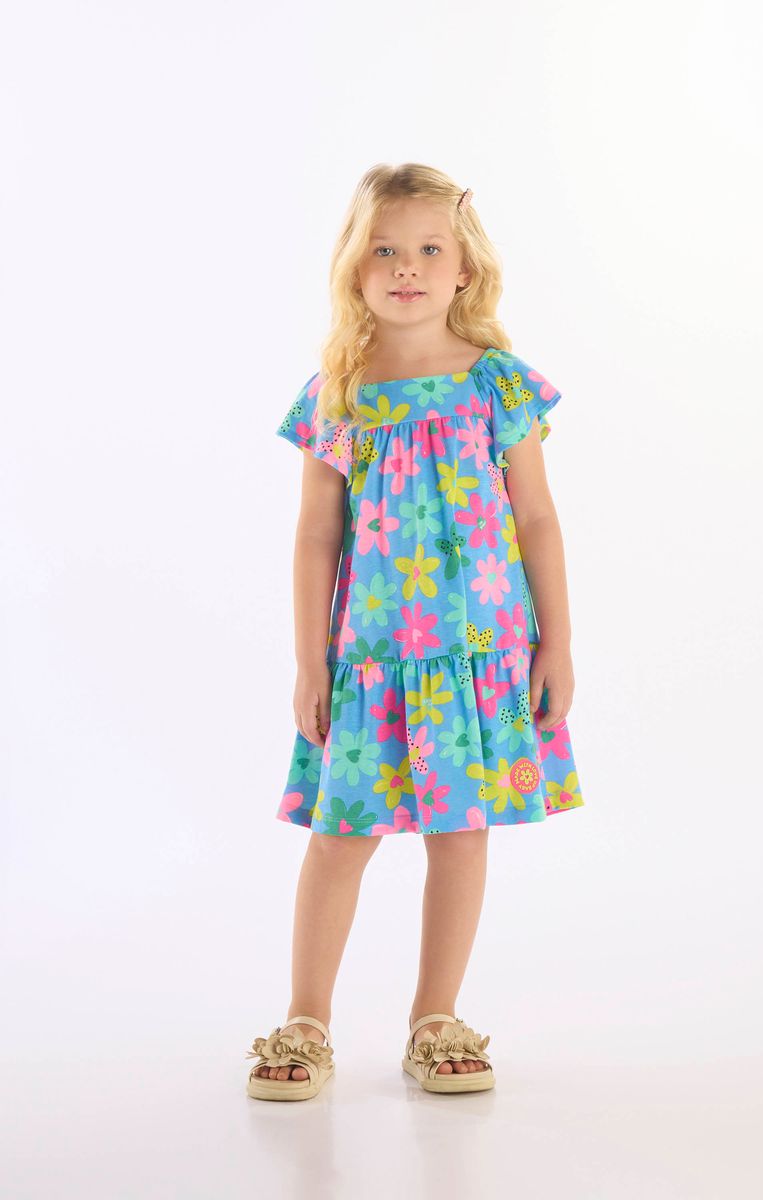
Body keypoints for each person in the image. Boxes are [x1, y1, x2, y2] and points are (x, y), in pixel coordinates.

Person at [246, 162, 585, 1101]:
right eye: (385, 250)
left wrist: (557, 642)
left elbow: (537, 518)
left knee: (461, 833)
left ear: (464, 268)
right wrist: (309, 661)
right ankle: (306, 1019)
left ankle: (435, 1018)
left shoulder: (498, 385)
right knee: (340, 836)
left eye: (430, 249)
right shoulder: (341, 393)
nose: (407, 267)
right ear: (354, 268)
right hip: (372, 661)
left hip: (479, 658)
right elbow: (317, 535)